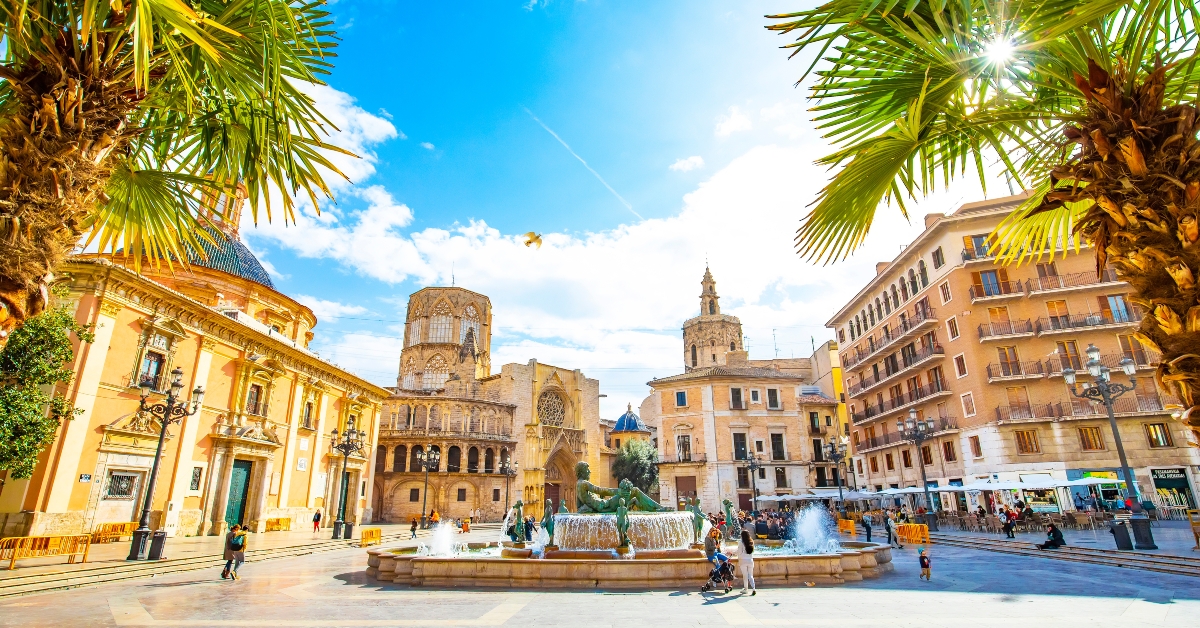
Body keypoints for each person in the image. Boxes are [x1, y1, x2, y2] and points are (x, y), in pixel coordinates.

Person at [738, 529, 756, 595]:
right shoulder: (751, 542)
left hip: (743, 561)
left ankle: (746, 589)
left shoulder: (741, 542)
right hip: (750, 560)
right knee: (751, 575)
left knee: (745, 576)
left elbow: (739, 552)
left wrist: (732, 553)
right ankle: (754, 589)